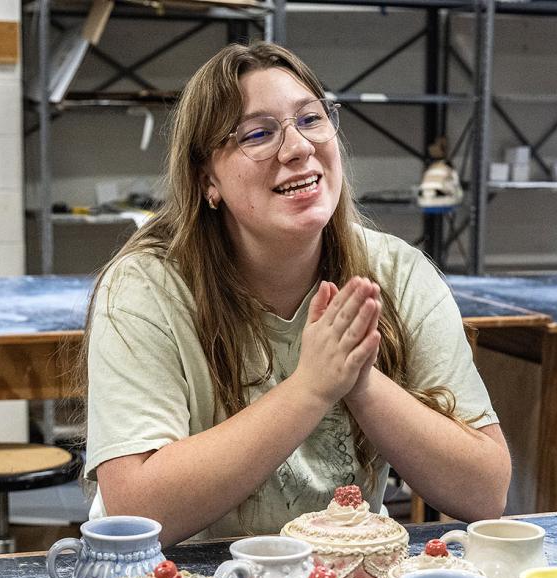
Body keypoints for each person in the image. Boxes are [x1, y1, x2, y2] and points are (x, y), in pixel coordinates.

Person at [84, 42, 510, 547]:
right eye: (259, 134)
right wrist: (310, 389)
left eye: (310, 119)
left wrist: (359, 382)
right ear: (207, 180)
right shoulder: (147, 289)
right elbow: (136, 512)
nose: (299, 148)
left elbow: (486, 489)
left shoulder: (396, 273)